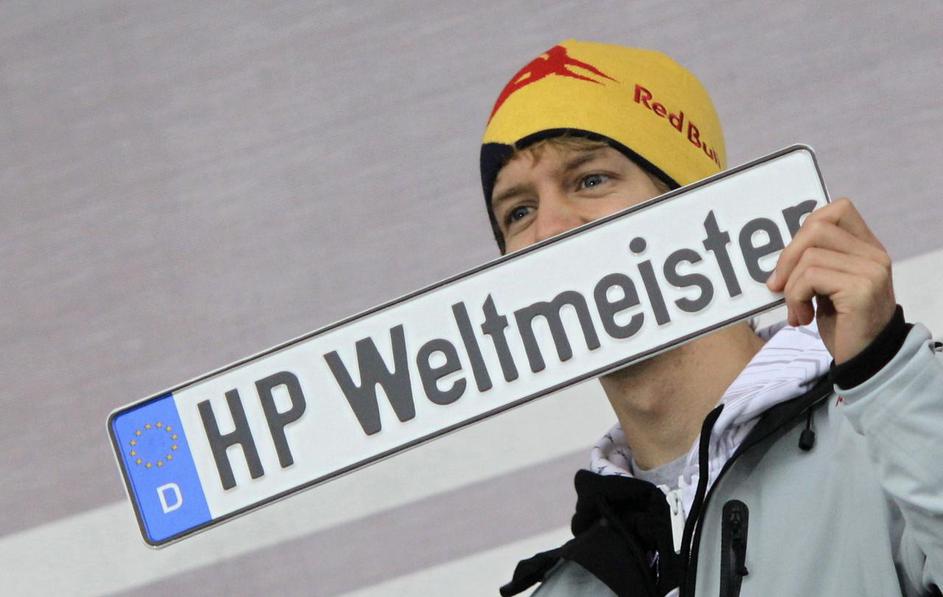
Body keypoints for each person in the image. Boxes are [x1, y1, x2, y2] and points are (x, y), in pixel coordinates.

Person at [481, 40, 943, 597]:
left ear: (699, 203)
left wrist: (886, 371)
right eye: (519, 211)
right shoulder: (568, 587)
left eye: (590, 179)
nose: (549, 229)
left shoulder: (899, 422)